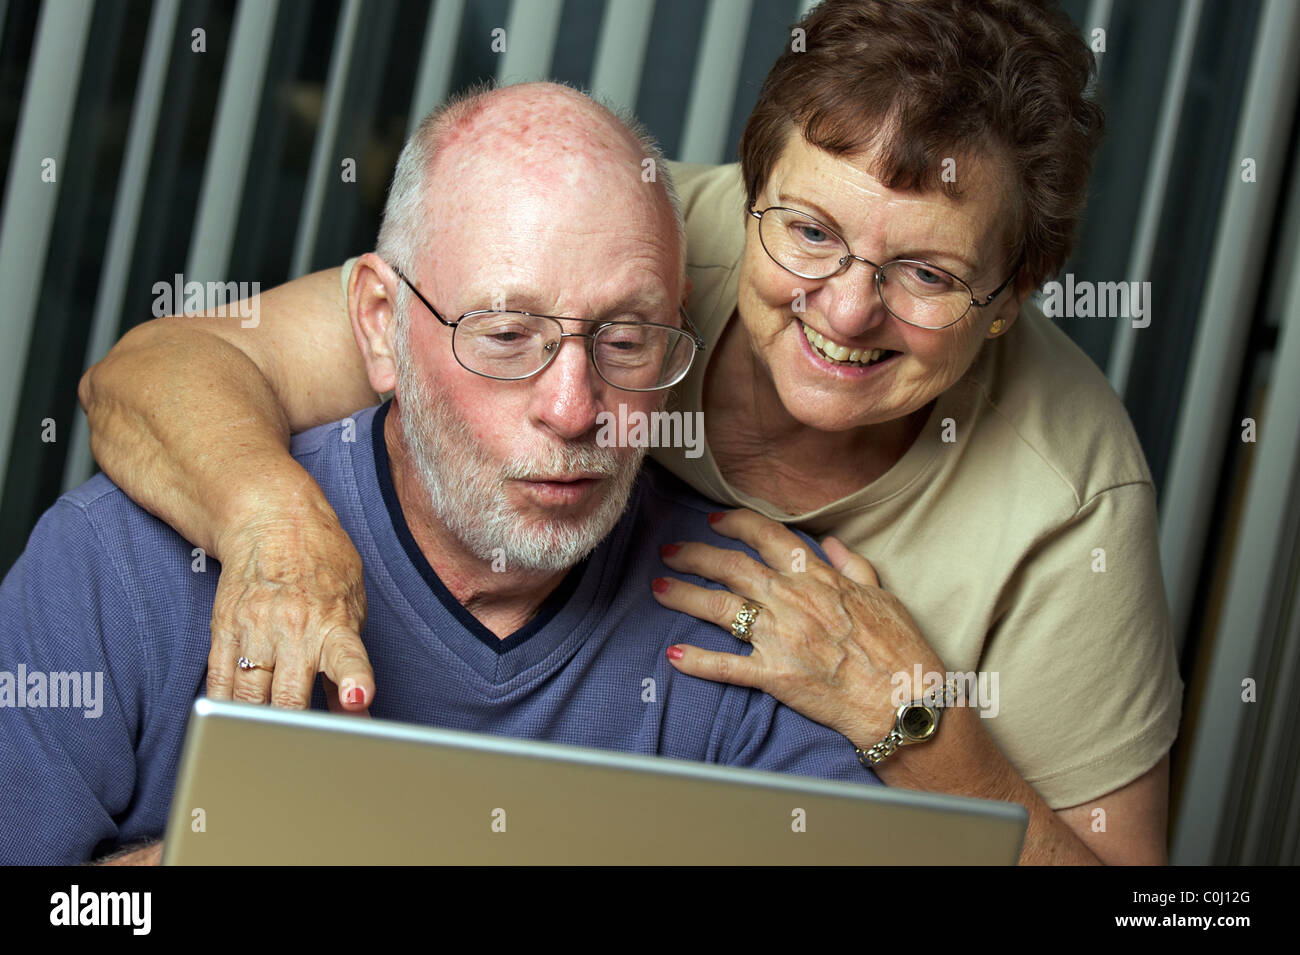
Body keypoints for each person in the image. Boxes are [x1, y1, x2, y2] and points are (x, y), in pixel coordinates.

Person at [80, 0, 1182, 865]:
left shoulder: (1071, 497)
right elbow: (154, 373)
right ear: (752, 190)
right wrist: (273, 520)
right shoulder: (621, 238)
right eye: (806, 230)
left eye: (928, 272)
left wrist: (913, 720)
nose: (844, 311)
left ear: (1013, 292)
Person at [0, 83, 898, 865]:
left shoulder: (758, 620)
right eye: (507, 337)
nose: (573, 408)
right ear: (380, 324)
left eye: (626, 339)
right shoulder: (114, 567)